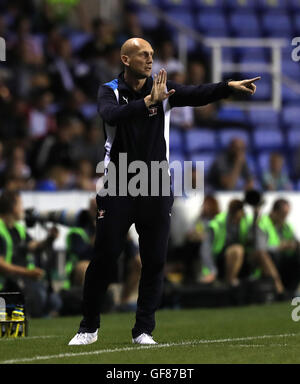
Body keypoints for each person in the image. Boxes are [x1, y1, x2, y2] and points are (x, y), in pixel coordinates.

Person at [68, 37, 260, 346]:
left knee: (155, 260)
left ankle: (143, 330)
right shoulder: (110, 90)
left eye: (152, 54)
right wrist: (146, 104)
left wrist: (227, 87)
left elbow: (198, 94)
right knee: (104, 257)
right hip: (118, 181)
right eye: (143, 53)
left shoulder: (165, 89)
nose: (149, 58)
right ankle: (88, 327)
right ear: (125, 59)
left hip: (156, 182)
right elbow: (110, 115)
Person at [0, 190, 61, 317]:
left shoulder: (18, 228)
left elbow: (33, 246)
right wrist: (27, 273)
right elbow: (1, 265)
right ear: (11, 207)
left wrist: (50, 238)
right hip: (6, 282)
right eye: (20, 204)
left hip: (20, 279)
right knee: (39, 296)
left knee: (54, 301)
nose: (23, 208)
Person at [258, 198, 300, 296]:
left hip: (283, 261)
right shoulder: (262, 223)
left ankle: (291, 290)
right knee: (266, 256)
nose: (285, 217)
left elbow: (295, 241)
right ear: (274, 212)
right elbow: (260, 249)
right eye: (283, 213)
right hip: (268, 261)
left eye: (286, 214)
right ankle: (279, 289)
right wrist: (280, 247)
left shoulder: (286, 226)